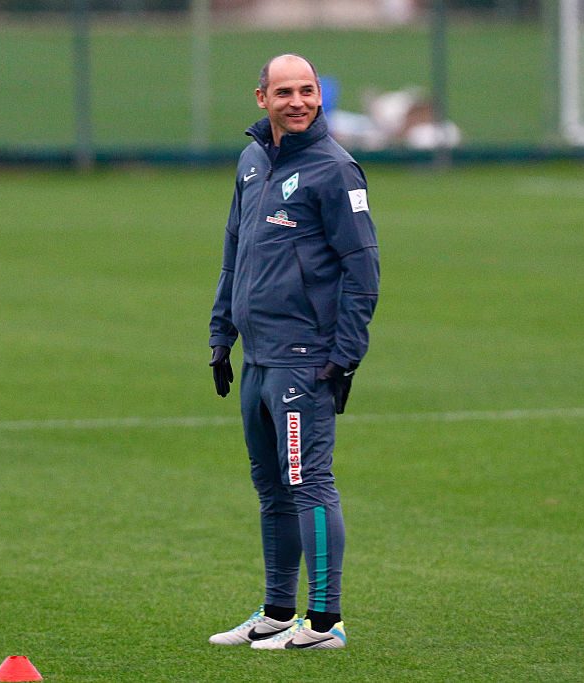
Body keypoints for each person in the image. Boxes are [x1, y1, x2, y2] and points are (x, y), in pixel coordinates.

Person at [206, 54, 379, 650]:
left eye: (307, 90)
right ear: (262, 98)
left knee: (310, 485)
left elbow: (363, 272)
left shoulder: (336, 170)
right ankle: (278, 611)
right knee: (271, 489)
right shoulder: (252, 161)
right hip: (257, 358)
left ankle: (324, 623)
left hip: (305, 359)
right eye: (285, 92)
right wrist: (220, 335)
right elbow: (236, 252)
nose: (298, 101)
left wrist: (345, 355)